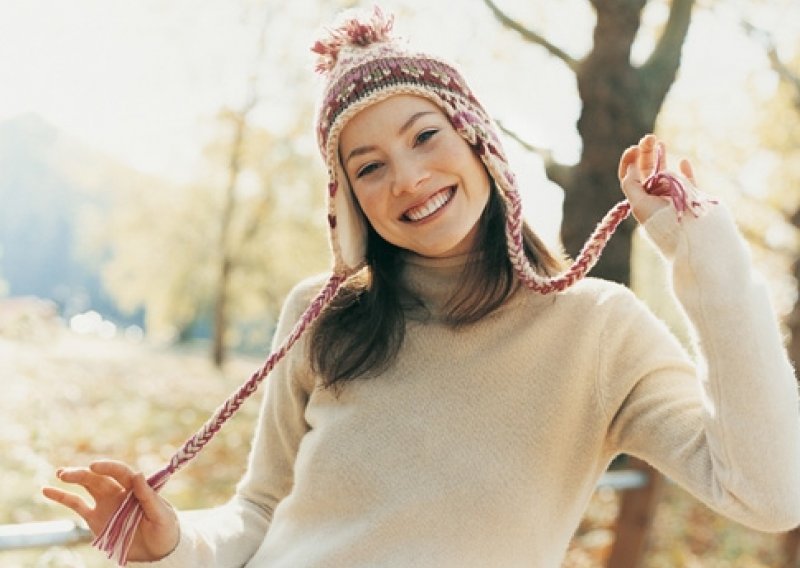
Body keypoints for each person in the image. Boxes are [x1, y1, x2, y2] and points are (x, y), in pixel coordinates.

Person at [43, 7, 800, 567]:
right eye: (368, 166)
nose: (407, 178)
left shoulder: (599, 329)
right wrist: (172, 541)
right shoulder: (319, 315)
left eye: (425, 135)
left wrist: (702, 251)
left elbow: (769, 495)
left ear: (479, 142)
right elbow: (261, 511)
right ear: (348, 201)